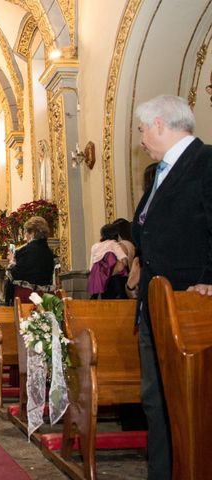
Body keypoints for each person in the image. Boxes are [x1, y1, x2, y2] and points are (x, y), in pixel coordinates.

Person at [132, 94, 212, 479]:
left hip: (189, 303)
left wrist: (210, 279)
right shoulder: (161, 171)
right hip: (155, 305)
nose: (142, 138)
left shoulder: (206, 162)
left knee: (191, 403)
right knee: (156, 399)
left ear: (159, 123)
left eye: (143, 129)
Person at [6, 216, 56, 304]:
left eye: (26, 232)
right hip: (46, 297)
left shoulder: (23, 251)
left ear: (32, 233)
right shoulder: (50, 252)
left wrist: (12, 261)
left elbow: (15, 275)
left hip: (27, 296)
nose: (25, 236)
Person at [87, 223, 129, 299]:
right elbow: (123, 258)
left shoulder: (95, 246)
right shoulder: (113, 243)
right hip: (113, 277)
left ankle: (94, 296)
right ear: (115, 234)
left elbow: (91, 267)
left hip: (99, 277)